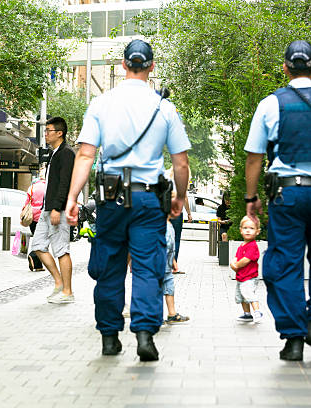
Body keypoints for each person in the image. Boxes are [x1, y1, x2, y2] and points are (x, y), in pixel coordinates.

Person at [65, 39, 190, 361]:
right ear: (151, 66)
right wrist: (180, 196)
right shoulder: (165, 108)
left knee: (110, 266)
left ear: (123, 65)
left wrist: (72, 198)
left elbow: (85, 155)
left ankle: (109, 337)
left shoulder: (101, 103)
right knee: (148, 267)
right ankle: (146, 335)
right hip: (149, 199)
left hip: (111, 199)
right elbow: (181, 162)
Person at [244, 40, 311, 361]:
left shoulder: (271, 104)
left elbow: (255, 157)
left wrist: (251, 198)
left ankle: (295, 336)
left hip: (287, 194)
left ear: (285, 68)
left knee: (284, 264)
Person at [29, 117, 75, 304]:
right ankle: (58, 282)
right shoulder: (54, 153)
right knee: (38, 246)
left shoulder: (66, 153)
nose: (45, 133)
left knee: (61, 250)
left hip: (58, 209)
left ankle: (68, 291)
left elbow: (65, 182)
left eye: (48, 130)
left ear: (59, 133)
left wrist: (57, 207)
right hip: (47, 209)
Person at [230, 216, 263, 324]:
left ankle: (257, 312)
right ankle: (247, 314)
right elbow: (237, 257)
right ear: (241, 230)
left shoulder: (252, 246)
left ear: (257, 231)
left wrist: (236, 266)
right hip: (241, 277)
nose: (248, 230)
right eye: (245, 228)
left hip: (250, 277)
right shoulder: (242, 245)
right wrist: (232, 262)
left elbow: (245, 260)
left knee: (248, 293)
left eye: (251, 228)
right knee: (241, 296)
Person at [164, 215, 190, 324]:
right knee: (155, 290)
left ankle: (172, 313)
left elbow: (171, 247)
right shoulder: (159, 226)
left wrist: (173, 260)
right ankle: (153, 315)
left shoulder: (169, 224)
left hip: (167, 265)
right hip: (158, 265)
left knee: (169, 287)